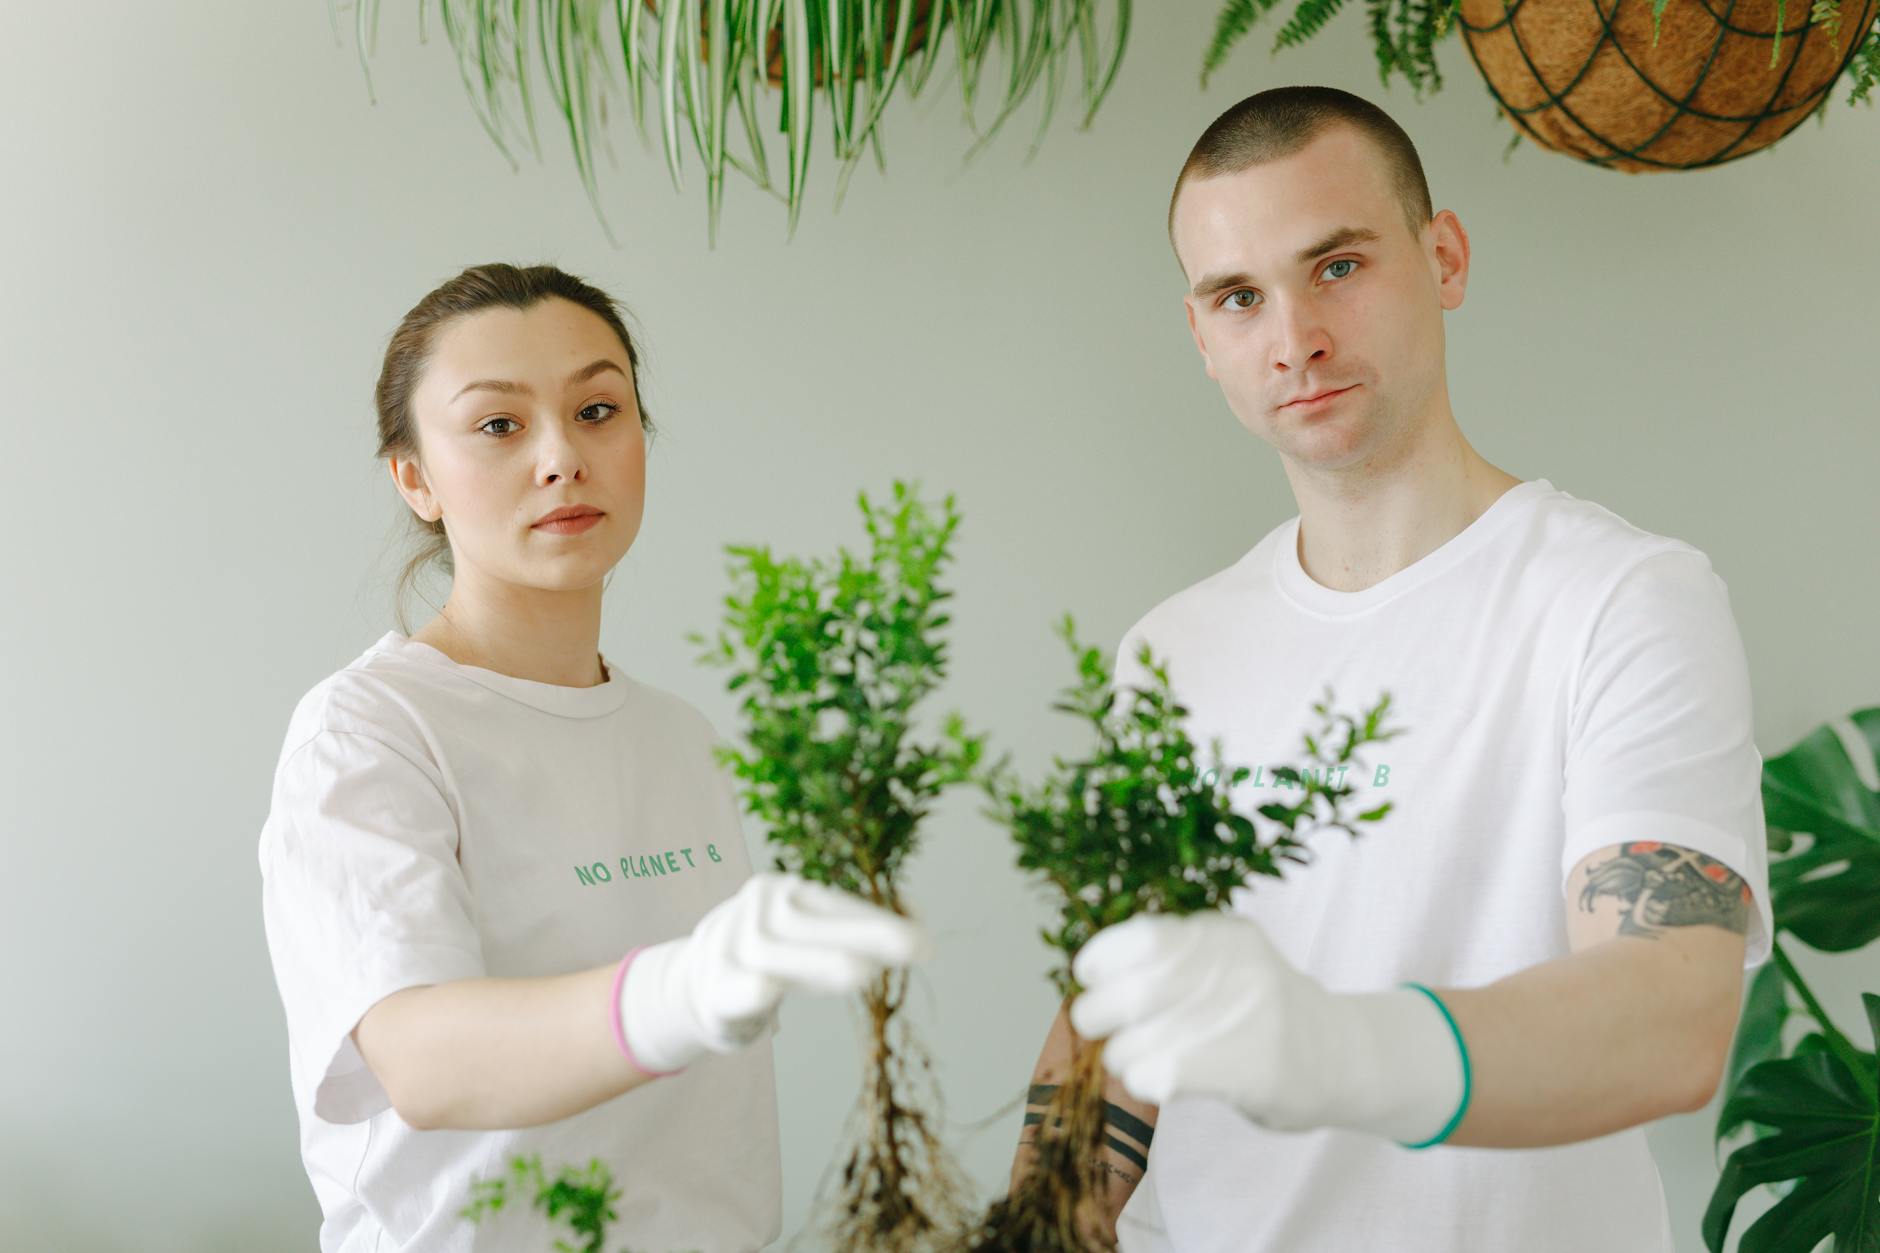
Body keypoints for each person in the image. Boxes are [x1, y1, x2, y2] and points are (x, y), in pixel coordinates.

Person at [1012, 86, 1774, 1253]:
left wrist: (1327, 1048)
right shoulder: (1169, 652)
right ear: (1200, 336)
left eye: (1335, 267)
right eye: (1237, 296)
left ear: (1443, 257)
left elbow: (1670, 1013)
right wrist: (1031, 1226)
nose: (1291, 338)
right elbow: (1117, 1014)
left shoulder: (1619, 599)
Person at [257, 262, 927, 1252]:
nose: (562, 456)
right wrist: (680, 989)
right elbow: (423, 1061)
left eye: (598, 408)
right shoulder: (369, 732)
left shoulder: (680, 737)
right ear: (415, 477)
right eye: (498, 425)